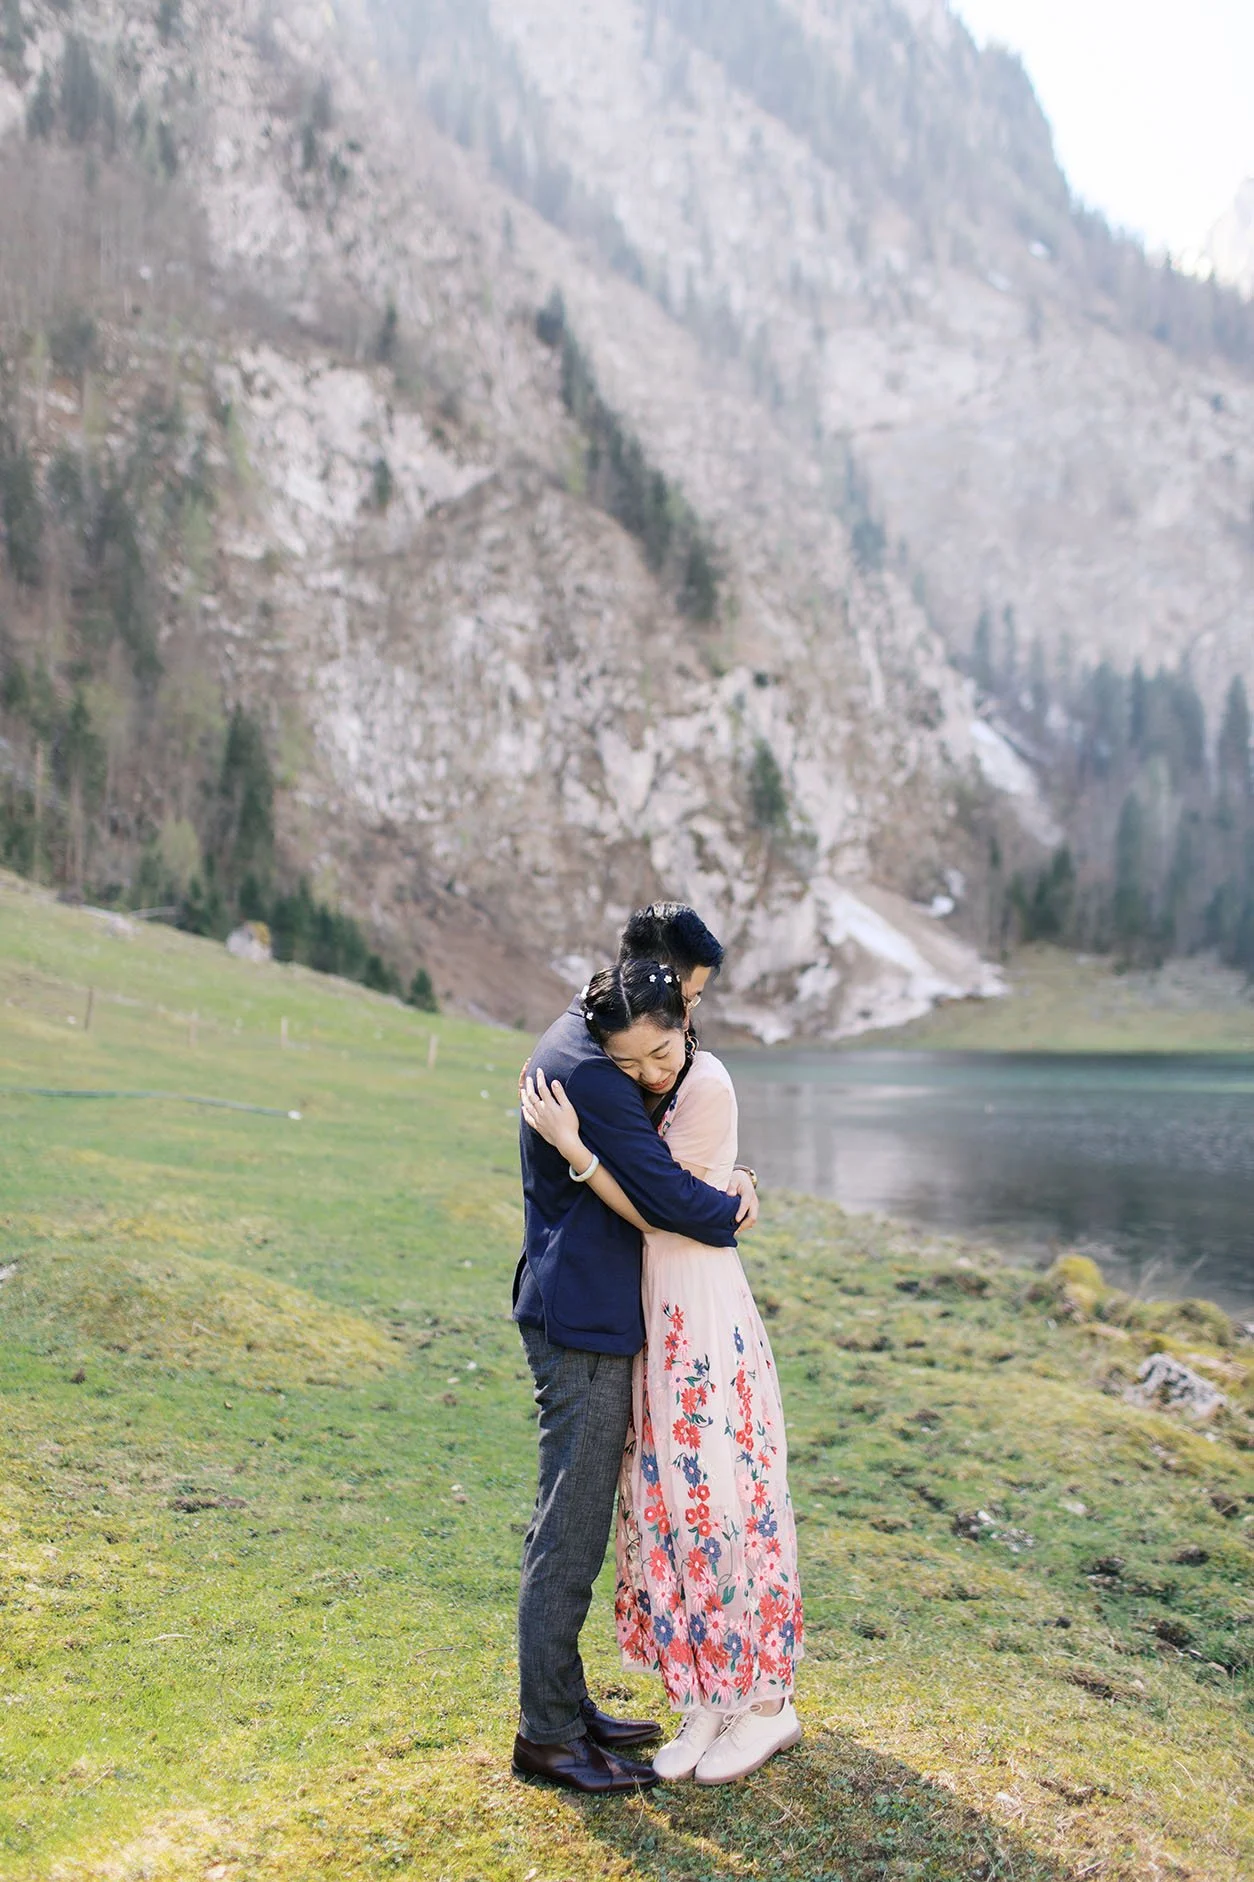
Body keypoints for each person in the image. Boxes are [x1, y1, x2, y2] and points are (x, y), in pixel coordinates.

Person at [523, 964, 804, 1786]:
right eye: (634, 1059)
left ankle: (750, 1700)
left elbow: (679, 1196)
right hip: (616, 1318)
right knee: (601, 1523)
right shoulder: (592, 1071)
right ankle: (554, 1728)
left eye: (662, 1050)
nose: (652, 1072)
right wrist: (724, 1200)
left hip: (683, 1316)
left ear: (684, 1015)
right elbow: (672, 1202)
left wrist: (735, 1184)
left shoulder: (674, 1072)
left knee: (711, 1496)